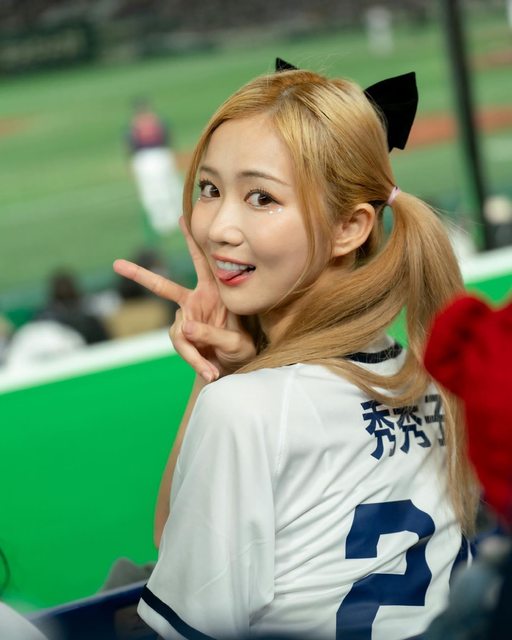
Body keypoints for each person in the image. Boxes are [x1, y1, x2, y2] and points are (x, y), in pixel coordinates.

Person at [113, 60, 478, 640]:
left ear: (349, 228)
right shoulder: (435, 378)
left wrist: (226, 387)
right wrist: (223, 371)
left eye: (261, 197)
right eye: (210, 189)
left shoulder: (248, 410)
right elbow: (180, 538)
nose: (218, 227)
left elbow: (185, 597)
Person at [128, 99, 183, 238]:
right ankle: (177, 217)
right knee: (170, 187)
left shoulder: (133, 125)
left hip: (144, 159)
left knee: (152, 192)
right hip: (161, 155)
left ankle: (162, 222)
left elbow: (130, 146)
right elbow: (167, 138)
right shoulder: (157, 121)